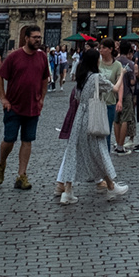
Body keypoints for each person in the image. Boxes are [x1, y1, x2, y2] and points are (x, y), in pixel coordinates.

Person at [55, 46, 127, 204]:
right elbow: (115, 88)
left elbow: (78, 98)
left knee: (75, 154)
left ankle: (68, 191)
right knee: (99, 151)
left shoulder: (82, 77)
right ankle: (111, 186)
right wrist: (122, 74)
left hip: (79, 119)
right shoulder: (96, 77)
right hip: (91, 118)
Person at [0, 23, 48, 189]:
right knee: (9, 140)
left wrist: (42, 98)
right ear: (26, 38)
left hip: (32, 107)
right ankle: (2, 163)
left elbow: (45, 78)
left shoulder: (42, 57)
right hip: (14, 106)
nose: (38, 40)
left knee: (27, 140)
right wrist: (3, 98)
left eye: (39, 37)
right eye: (35, 37)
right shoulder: (14, 56)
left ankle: (21, 175)